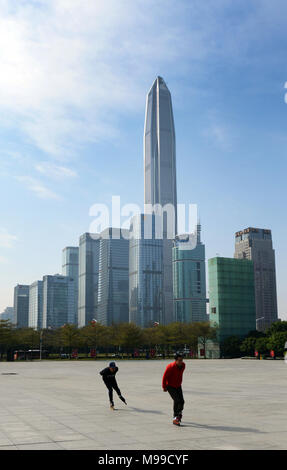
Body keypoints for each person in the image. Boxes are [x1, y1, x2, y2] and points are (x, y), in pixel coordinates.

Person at [162, 352, 185, 426]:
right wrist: (164, 386)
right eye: (179, 360)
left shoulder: (183, 365)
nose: (181, 362)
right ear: (175, 360)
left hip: (178, 385)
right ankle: (175, 417)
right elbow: (164, 377)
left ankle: (179, 414)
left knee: (182, 401)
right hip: (170, 386)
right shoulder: (170, 367)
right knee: (177, 400)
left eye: (182, 360)